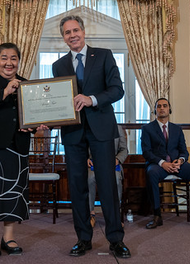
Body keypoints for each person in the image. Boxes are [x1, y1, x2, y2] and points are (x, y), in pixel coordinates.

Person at [52, 15, 131, 258]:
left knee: (107, 186)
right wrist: (46, 118)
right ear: (63, 37)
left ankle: (116, 239)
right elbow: (57, 101)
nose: (72, 35)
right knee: (77, 188)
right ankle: (83, 239)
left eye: (76, 30)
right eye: (67, 32)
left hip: (102, 130)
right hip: (73, 133)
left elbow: (117, 89)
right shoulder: (58, 66)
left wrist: (91, 99)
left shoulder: (104, 55)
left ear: (84, 32)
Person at [0, 43, 48, 258]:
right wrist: (5, 91)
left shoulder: (26, 84)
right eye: (4, 58)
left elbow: (30, 116)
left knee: (15, 193)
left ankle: (8, 236)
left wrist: (35, 125)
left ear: (18, 61)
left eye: (13, 58)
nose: (9, 62)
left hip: (18, 147)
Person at [141, 98, 190, 229]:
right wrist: (163, 163)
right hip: (158, 165)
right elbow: (146, 152)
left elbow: (184, 151)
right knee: (151, 174)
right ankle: (157, 215)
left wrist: (180, 161)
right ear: (155, 110)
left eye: (165, 106)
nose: (162, 108)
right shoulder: (147, 128)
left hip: (177, 165)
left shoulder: (177, 129)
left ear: (169, 109)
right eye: (159, 106)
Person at [88, 125, 128, 227]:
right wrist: (86, 158)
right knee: (90, 178)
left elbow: (124, 150)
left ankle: (115, 215)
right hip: (94, 164)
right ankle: (90, 213)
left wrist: (118, 159)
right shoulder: (90, 127)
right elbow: (83, 147)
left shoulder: (118, 128)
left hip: (112, 164)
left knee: (116, 178)